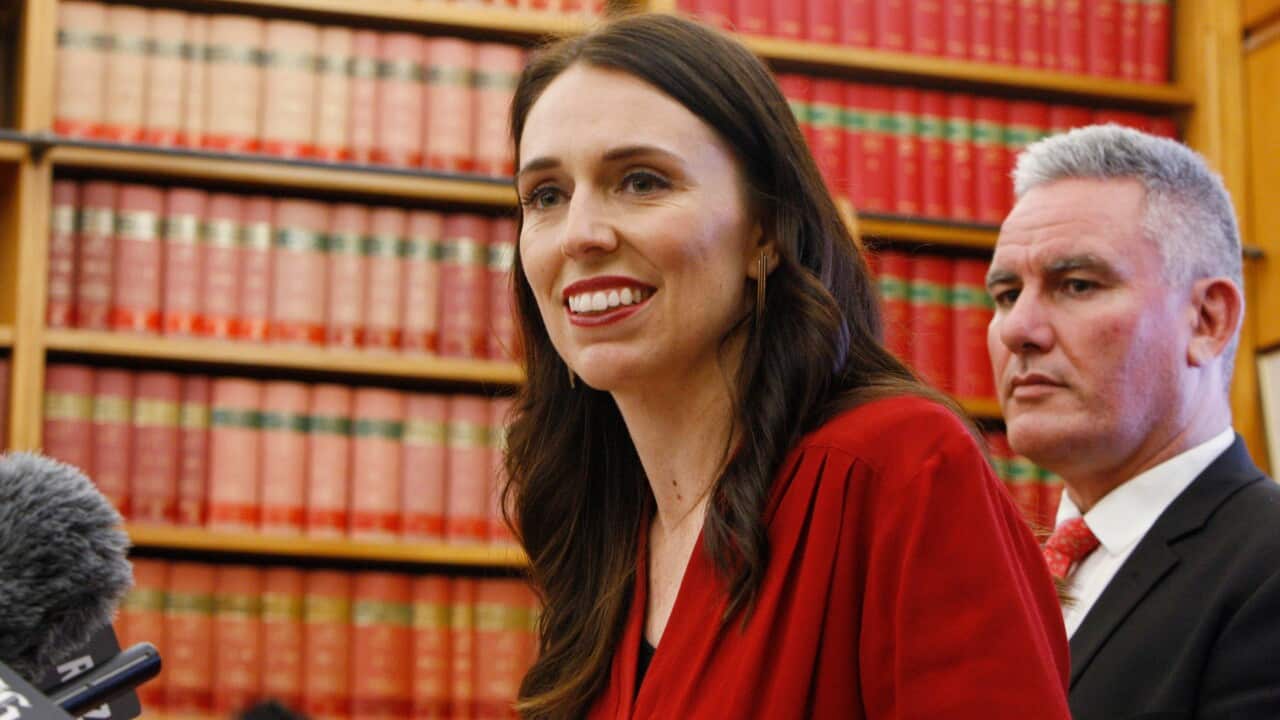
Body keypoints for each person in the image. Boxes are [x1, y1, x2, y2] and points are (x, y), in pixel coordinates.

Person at [500, 13, 1070, 719]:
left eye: (641, 182)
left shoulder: (900, 466)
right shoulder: (606, 523)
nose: (581, 235)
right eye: (546, 196)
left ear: (764, 231)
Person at [986, 124, 1280, 719]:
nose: (1019, 328)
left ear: (1206, 320)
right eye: (1007, 293)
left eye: (1077, 284)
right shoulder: (995, 573)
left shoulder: (1266, 567)